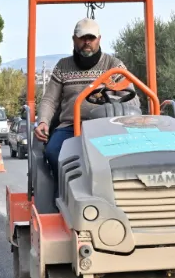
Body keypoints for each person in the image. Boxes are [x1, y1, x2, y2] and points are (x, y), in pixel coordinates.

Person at [34, 18, 139, 189]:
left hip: (106, 126)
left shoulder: (114, 65)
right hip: (71, 126)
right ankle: (62, 192)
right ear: (74, 39)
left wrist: (114, 103)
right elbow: (49, 99)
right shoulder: (63, 66)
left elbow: (132, 98)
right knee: (53, 151)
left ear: (99, 39)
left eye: (91, 38)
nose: (87, 42)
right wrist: (43, 121)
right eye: (82, 38)